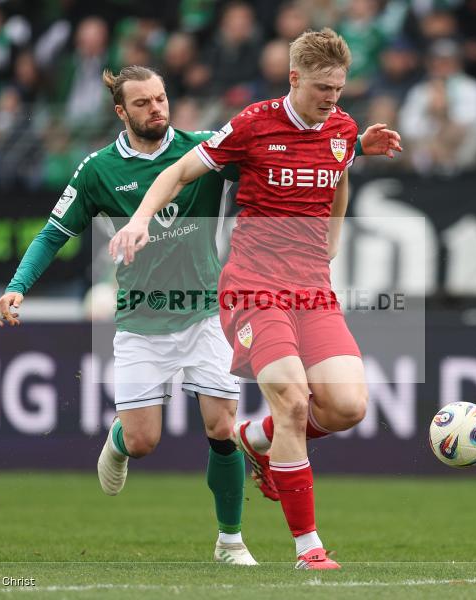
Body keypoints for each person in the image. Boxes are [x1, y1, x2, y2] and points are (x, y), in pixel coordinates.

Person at [0, 64, 400, 566]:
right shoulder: (98, 169)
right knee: (145, 440)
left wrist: (355, 144)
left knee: (222, 426)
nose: (156, 109)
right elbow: (54, 232)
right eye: (142, 103)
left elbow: (290, 156)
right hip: (142, 319)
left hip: (207, 309)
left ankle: (230, 540)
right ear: (122, 112)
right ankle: (119, 439)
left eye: (161, 98)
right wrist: (16, 287)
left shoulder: (204, 145)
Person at [110, 29, 400, 570]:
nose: (332, 98)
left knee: (347, 406)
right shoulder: (252, 124)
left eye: (339, 88)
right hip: (253, 284)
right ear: (294, 79)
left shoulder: (343, 128)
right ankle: (308, 548)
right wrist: (141, 220)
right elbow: (178, 170)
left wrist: (333, 241)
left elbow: (339, 175)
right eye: (321, 88)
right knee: (292, 400)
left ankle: (257, 438)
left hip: (312, 286)